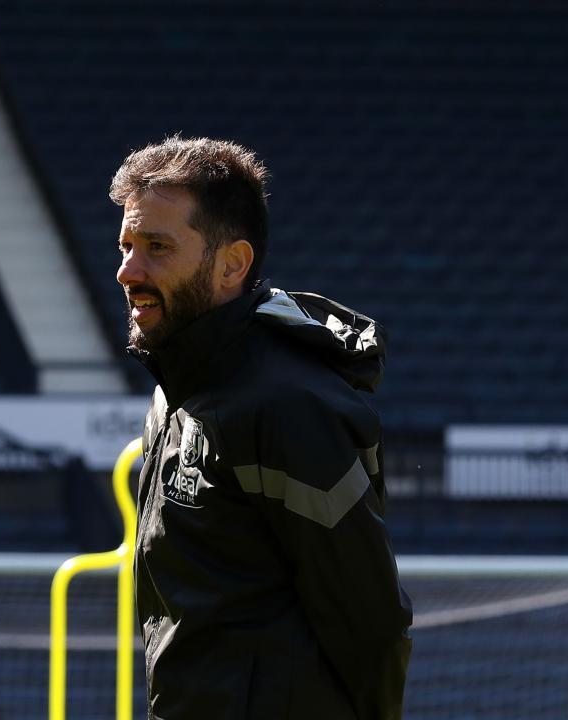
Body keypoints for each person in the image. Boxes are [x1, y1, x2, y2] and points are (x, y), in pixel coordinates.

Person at [112, 135, 412, 720]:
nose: (128, 271)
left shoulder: (289, 405)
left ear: (232, 265)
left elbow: (369, 622)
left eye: (157, 247)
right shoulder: (174, 390)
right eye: (125, 245)